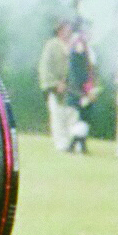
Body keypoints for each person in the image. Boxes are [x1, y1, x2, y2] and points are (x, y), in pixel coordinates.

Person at [37, 19, 81, 152]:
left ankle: (74, 143)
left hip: (72, 89)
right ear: (59, 30)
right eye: (65, 28)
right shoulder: (51, 45)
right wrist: (55, 84)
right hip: (56, 89)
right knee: (58, 117)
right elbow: (45, 67)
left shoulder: (75, 45)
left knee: (73, 116)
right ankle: (62, 145)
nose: (68, 31)